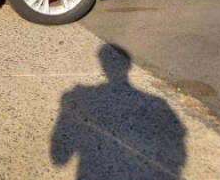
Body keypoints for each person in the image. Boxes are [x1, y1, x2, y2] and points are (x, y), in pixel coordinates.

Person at [51, 44, 186, 179]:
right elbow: (178, 146)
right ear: (128, 67)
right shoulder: (158, 103)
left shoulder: (79, 97)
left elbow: (59, 158)